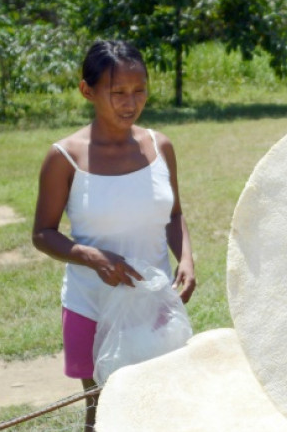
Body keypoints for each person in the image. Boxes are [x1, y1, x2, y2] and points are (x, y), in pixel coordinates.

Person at [32, 40, 196, 430]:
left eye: (139, 90)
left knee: (161, 407)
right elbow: (43, 233)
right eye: (117, 92)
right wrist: (92, 257)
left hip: (152, 304)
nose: (130, 102)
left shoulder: (160, 147)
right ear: (87, 91)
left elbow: (174, 215)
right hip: (92, 306)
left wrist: (186, 259)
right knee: (104, 413)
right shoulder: (65, 157)